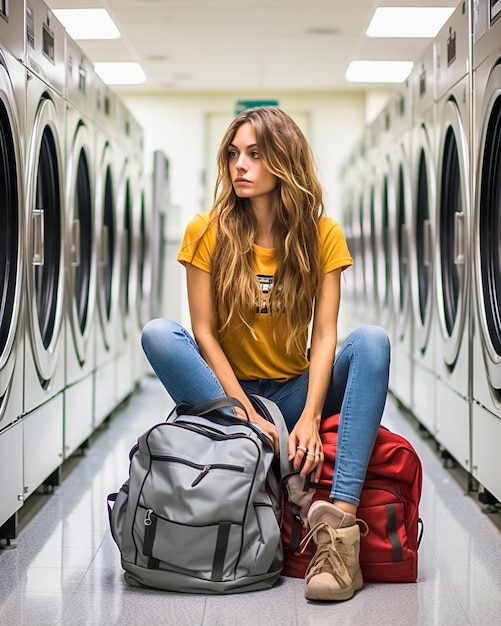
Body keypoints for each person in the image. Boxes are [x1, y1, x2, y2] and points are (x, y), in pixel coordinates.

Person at [141, 106, 390, 602]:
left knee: (372, 341)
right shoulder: (205, 231)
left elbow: (324, 337)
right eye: (233, 154)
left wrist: (310, 419)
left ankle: (339, 532)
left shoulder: (322, 235)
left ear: (285, 160)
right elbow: (204, 334)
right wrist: (247, 415)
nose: (240, 165)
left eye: (255, 154)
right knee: (158, 334)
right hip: (226, 397)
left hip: (294, 393)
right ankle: (270, 463)